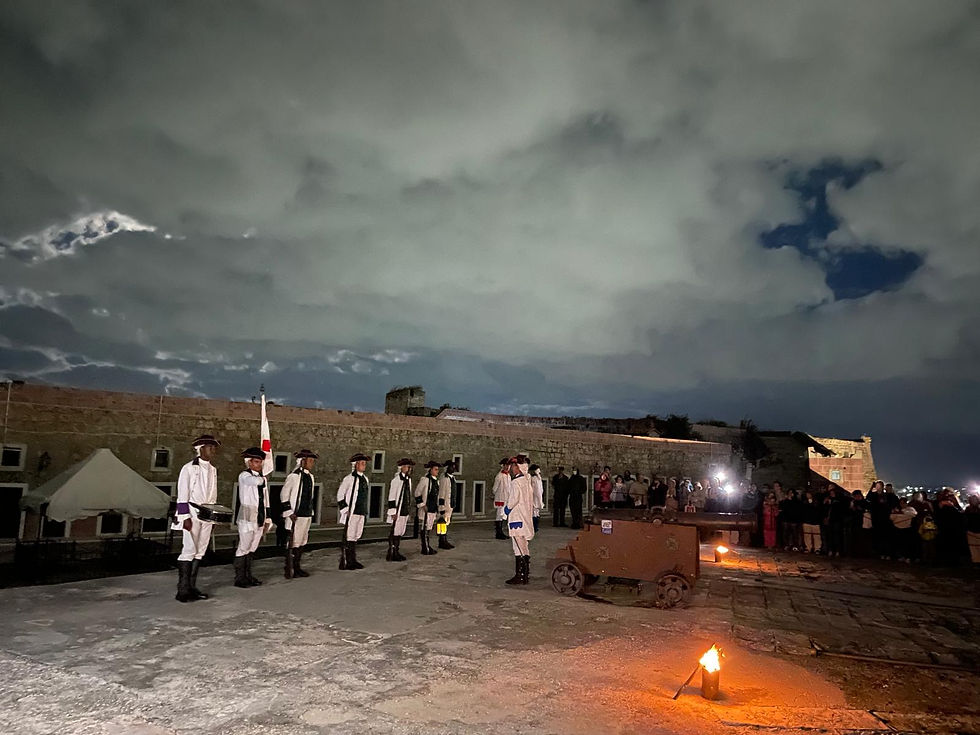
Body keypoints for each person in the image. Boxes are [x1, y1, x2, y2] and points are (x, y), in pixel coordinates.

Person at [173, 434, 221, 603]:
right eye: (210, 447)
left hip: (207, 513)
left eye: (214, 448)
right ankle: (183, 589)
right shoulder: (189, 468)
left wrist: (213, 518)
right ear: (200, 449)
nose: (213, 450)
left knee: (200, 550)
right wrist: (185, 516)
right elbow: (182, 493)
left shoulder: (213, 469)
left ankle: (192, 587)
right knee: (189, 549)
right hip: (192, 512)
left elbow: (213, 496)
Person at [234, 447, 273, 588]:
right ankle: (240, 578)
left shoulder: (261, 479)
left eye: (260, 462)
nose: (259, 465)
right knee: (243, 547)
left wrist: (268, 518)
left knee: (252, 547)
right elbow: (253, 481)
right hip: (247, 517)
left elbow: (266, 500)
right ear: (249, 462)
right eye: (256, 462)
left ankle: (248, 575)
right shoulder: (244, 475)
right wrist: (264, 478)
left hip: (260, 516)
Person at [280, 448, 319, 579]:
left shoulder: (310, 477)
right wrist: (289, 512)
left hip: (306, 513)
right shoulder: (294, 477)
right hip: (296, 514)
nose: (312, 463)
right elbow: (284, 495)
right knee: (294, 541)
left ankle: (297, 566)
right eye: (310, 460)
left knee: (302, 540)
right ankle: (290, 567)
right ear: (302, 461)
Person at [503, 455, 535, 585]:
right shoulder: (526, 481)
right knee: (523, 546)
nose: (511, 468)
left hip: (517, 518)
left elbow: (513, 499)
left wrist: (506, 510)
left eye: (513, 466)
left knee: (518, 547)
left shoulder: (517, 482)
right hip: (525, 517)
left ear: (518, 467)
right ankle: (524, 574)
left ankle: (521, 575)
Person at [337, 452, 370, 570]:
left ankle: (353, 559)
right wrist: (345, 510)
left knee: (356, 535)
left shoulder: (365, 479)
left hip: (361, 511)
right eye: (362, 463)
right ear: (356, 465)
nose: (364, 465)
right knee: (349, 536)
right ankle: (347, 560)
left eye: (364, 463)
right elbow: (340, 495)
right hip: (352, 512)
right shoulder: (349, 479)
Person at [385, 458, 415, 562]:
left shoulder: (408, 480)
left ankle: (396, 551)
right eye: (407, 467)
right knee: (395, 531)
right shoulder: (396, 480)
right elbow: (392, 496)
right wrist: (393, 511)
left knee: (400, 531)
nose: (409, 469)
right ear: (402, 467)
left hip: (404, 510)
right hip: (398, 511)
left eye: (410, 467)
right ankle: (392, 552)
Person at [415, 460, 442, 555]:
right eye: (435, 469)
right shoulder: (425, 480)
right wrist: (422, 505)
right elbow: (417, 493)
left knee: (429, 527)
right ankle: (425, 546)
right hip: (426, 508)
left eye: (437, 469)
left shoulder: (436, 481)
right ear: (430, 470)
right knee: (424, 527)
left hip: (433, 507)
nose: (437, 471)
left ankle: (427, 545)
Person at [437, 459, 457, 549]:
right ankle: (442, 540)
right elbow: (441, 493)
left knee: (446, 522)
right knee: (442, 523)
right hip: (445, 504)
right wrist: (441, 507)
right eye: (451, 467)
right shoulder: (444, 478)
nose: (453, 468)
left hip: (450, 504)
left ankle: (444, 539)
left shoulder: (452, 478)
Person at [964, 494, 980, 565]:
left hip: (971, 532)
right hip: (975, 531)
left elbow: (965, 520)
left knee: (974, 549)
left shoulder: (968, 509)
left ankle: (976, 563)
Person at [529, 464, 544, 532]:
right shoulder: (535, 479)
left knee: (535, 512)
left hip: (536, 497)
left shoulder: (536, 479)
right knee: (535, 512)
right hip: (535, 497)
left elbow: (539, 490)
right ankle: (534, 527)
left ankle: (535, 527)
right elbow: (538, 490)